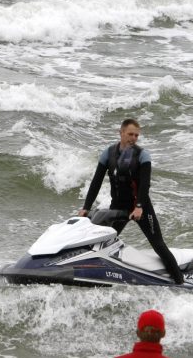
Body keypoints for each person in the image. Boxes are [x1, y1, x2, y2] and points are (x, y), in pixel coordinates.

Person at [78, 118, 185, 284]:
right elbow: (96, 182)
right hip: (118, 206)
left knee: (158, 244)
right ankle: (92, 276)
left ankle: (180, 282)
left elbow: (145, 184)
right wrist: (86, 207)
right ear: (121, 133)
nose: (133, 138)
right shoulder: (108, 153)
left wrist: (140, 207)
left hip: (140, 207)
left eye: (136, 135)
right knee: (102, 242)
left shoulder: (143, 155)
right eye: (130, 134)